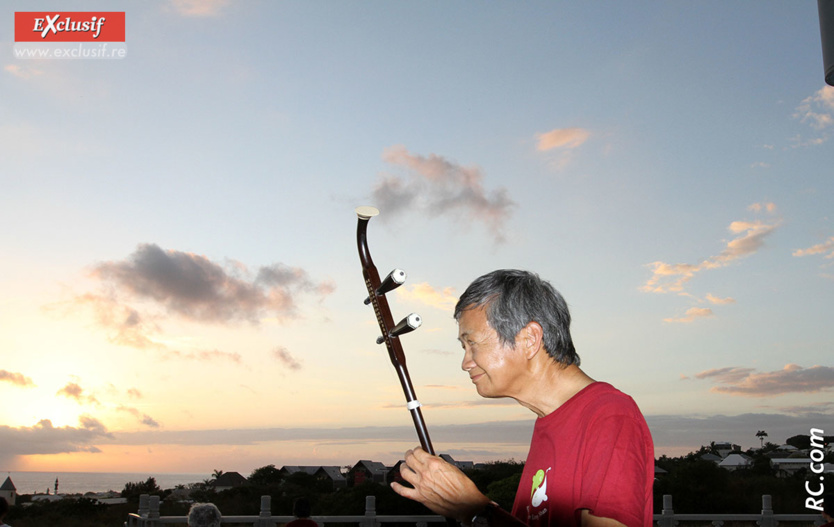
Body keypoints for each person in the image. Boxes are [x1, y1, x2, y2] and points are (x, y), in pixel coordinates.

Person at [391, 270, 654, 526]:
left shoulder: (610, 416)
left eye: (472, 344)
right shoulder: (549, 422)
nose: (465, 362)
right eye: (464, 347)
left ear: (529, 339)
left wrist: (477, 510)